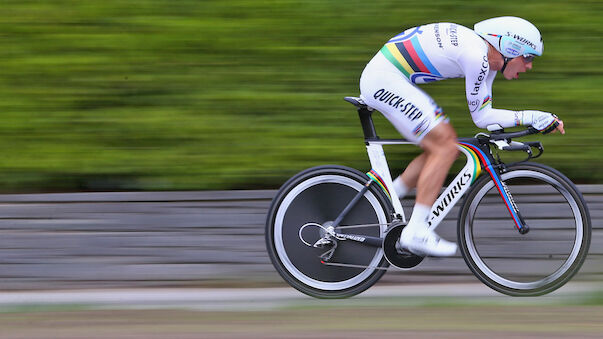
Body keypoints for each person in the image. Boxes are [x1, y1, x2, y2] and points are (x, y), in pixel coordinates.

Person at [359, 16, 565, 257]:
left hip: (387, 77)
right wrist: (533, 116)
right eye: (528, 57)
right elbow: (482, 116)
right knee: (445, 147)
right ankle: (415, 231)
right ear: (511, 48)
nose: (529, 66)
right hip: (384, 79)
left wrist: (533, 118)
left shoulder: (486, 58)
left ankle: (386, 197)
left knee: (444, 147)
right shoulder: (477, 57)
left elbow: (483, 117)